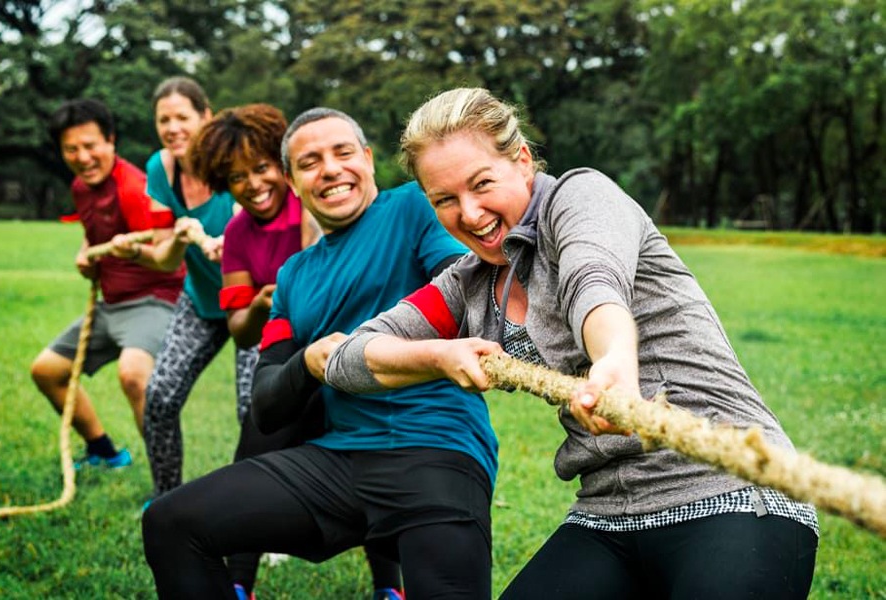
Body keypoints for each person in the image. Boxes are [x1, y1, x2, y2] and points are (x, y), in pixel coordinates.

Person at [325, 88, 820, 600]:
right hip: (607, 516)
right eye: (445, 200)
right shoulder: (466, 284)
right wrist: (438, 355)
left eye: (481, 184)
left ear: (521, 161)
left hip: (731, 491)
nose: (469, 214)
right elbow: (350, 359)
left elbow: (594, 283)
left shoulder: (580, 198)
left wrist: (614, 365)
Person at [143, 107, 498, 600]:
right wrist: (309, 360)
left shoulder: (413, 209)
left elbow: (465, 294)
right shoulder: (293, 277)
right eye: (309, 162)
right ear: (292, 181)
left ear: (369, 160)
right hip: (339, 463)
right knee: (170, 522)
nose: (330, 169)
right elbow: (267, 405)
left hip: (435, 451)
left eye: (343, 153)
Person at [186, 103, 396, 600]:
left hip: (352, 351)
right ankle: (239, 583)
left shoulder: (317, 202)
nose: (253, 184)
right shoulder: (237, 234)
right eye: (236, 177)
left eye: (261, 169)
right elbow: (239, 330)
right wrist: (263, 303)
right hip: (289, 359)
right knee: (254, 450)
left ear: (283, 172)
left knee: (375, 458)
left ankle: (391, 587)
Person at [31, 98, 184, 469]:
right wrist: (87, 253)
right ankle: (104, 452)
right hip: (111, 304)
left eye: (91, 145)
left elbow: (168, 256)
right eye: (72, 149)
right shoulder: (82, 188)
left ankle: (168, 486)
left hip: (154, 299)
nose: (83, 157)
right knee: (47, 371)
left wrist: (129, 253)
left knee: (133, 373)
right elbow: (95, 233)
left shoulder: (135, 188)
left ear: (111, 141)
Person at [116, 76, 247, 501]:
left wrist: (238, 244)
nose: (172, 128)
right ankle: (167, 501)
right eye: (163, 119)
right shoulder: (160, 168)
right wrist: (177, 236)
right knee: (159, 396)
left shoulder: (233, 160)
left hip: (256, 302)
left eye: (182, 117)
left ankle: (266, 520)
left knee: (255, 412)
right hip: (203, 299)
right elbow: (165, 259)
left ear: (205, 117)